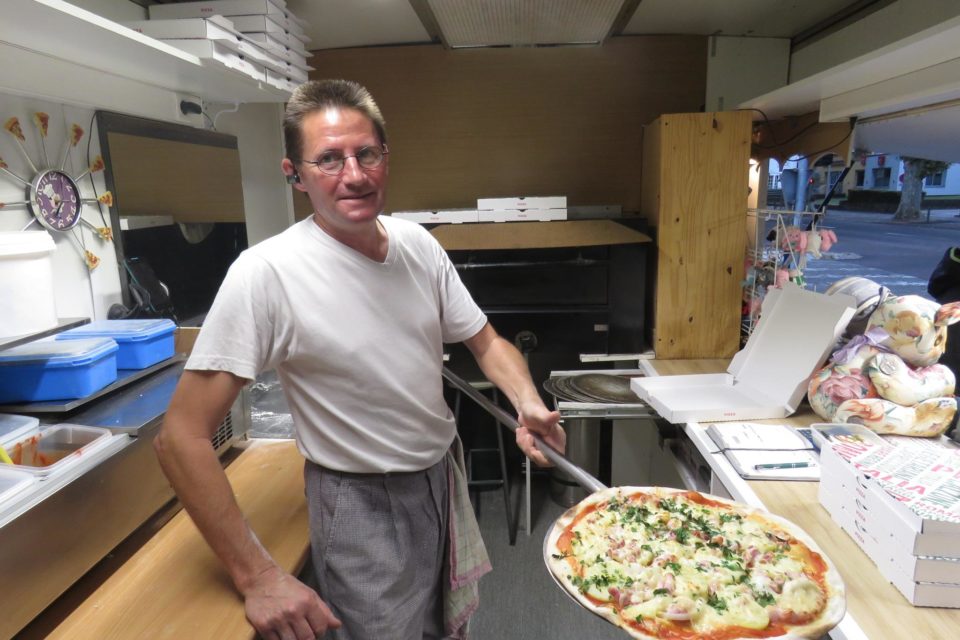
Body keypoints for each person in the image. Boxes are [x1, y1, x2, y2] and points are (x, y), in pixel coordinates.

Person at [154, 78, 564, 640]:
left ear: (385, 157)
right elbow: (180, 438)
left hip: (440, 478)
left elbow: (487, 342)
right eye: (328, 159)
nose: (354, 175)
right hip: (360, 502)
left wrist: (527, 401)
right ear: (295, 174)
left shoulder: (418, 245)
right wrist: (258, 577)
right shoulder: (266, 272)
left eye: (366, 153)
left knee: (445, 629)